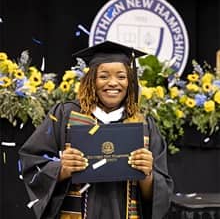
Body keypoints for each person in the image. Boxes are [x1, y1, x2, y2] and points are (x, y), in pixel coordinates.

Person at [19, 40, 173, 219]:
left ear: (130, 82)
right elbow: (31, 163)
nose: (113, 83)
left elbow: (159, 196)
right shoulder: (64, 115)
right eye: (104, 76)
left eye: (121, 76)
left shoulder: (144, 124)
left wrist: (147, 175)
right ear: (91, 79)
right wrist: (60, 170)